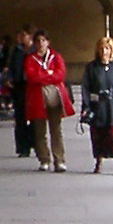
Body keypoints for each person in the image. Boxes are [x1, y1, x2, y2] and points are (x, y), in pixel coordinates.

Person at [82, 36, 113, 176]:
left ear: (112, 50)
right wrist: (86, 106)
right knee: (98, 134)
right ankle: (98, 162)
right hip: (98, 106)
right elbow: (86, 87)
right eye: (102, 48)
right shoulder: (92, 68)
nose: (104, 51)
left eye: (107, 48)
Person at [25, 30, 74, 173]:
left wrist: (43, 76)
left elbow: (61, 74)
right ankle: (44, 159)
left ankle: (59, 160)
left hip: (55, 98)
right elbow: (31, 76)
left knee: (56, 129)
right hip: (38, 99)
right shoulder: (30, 59)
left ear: (48, 42)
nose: (41, 43)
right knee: (40, 131)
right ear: (35, 43)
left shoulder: (56, 57)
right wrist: (49, 75)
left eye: (43, 40)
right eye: (38, 41)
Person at [8, 29, 35, 157]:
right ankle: (22, 147)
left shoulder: (35, 51)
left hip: (33, 86)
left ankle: (35, 143)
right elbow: (11, 66)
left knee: (35, 118)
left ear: (30, 36)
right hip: (19, 86)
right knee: (20, 118)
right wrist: (9, 78)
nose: (20, 37)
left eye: (23, 34)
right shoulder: (17, 51)